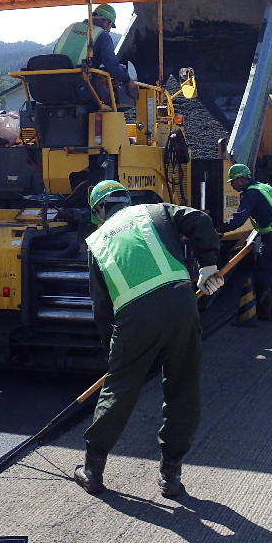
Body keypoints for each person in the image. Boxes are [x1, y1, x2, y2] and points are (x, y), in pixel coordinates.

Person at [75, 180, 223, 499]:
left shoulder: (97, 241)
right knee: (183, 388)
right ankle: (170, 475)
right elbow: (201, 219)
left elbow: (101, 307)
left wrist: (113, 354)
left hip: (135, 318)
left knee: (119, 390)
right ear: (124, 201)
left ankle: (92, 470)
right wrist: (209, 262)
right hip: (181, 303)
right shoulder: (155, 212)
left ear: (99, 209)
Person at [219, 163, 272, 322]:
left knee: (262, 273)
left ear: (240, 179)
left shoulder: (250, 193)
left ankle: (262, 314)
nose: (232, 185)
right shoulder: (264, 187)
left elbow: (239, 219)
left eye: (233, 181)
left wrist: (220, 229)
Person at [51, 4, 138, 109]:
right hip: (80, 87)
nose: (109, 30)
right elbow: (112, 65)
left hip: (54, 84)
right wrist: (128, 80)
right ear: (106, 22)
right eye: (110, 26)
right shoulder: (102, 36)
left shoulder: (72, 27)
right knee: (114, 100)